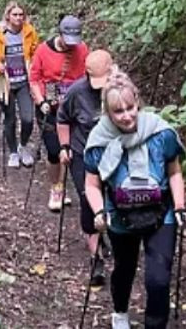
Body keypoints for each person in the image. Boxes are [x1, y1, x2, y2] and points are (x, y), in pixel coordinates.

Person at [84, 74, 186, 329]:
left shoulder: (161, 133)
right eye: (118, 111)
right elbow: (92, 183)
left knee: (159, 280)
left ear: (138, 103)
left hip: (160, 213)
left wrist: (180, 207)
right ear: (107, 112)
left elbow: (174, 172)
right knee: (124, 269)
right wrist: (99, 212)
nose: (127, 116)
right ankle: (120, 312)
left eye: (130, 108)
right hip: (120, 217)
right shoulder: (99, 140)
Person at [57, 49, 117, 286]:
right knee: (87, 200)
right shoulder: (76, 92)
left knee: (112, 198)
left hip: (113, 154)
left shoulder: (120, 90)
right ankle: (96, 258)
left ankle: (111, 237)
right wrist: (64, 146)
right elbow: (63, 119)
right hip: (83, 152)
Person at [29, 15, 89, 212]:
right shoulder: (43, 51)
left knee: (73, 148)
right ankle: (56, 186)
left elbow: (88, 76)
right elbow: (35, 78)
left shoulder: (82, 49)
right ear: (60, 34)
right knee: (54, 150)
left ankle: (68, 186)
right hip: (50, 107)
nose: (72, 45)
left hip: (74, 107)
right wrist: (41, 100)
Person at [0, 1, 40, 168]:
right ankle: (13, 152)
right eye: (15, 14)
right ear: (8, 16)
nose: (18, 18)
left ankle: (23, 146)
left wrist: (34, 65)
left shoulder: (29, 32)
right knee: (10, 119)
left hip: (25, 82)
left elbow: (36, 52)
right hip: (6, 83)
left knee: (27, 119)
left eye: (20, 15)